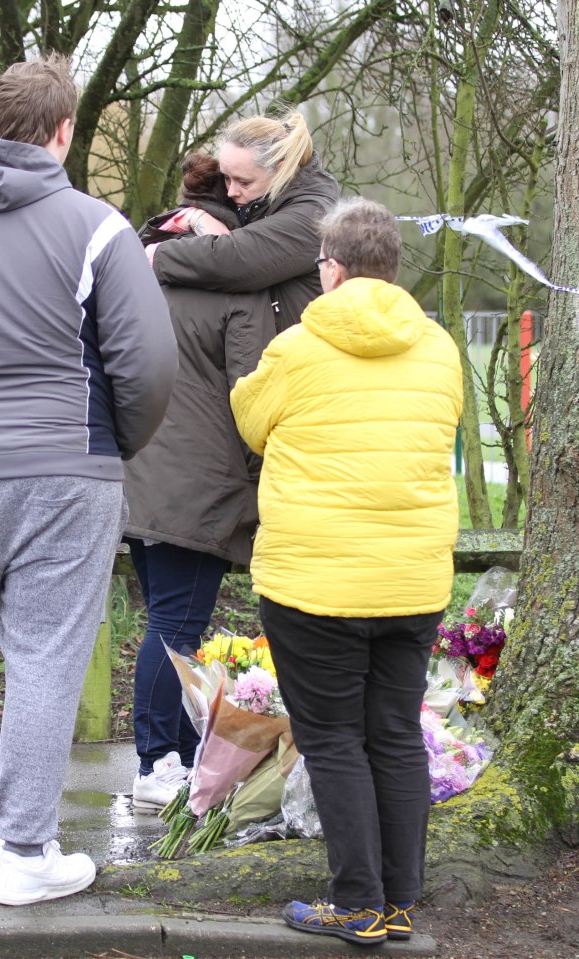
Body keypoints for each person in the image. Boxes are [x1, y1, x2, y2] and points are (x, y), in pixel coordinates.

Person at [230, 198, 463, 946]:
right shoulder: (441, 347)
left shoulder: (296, 347)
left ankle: (356, 902)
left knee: (332, 738)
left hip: (315, 582)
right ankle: (398, 900)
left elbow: (250, 421)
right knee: (394, 733)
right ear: (393, 266)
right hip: (411, 579)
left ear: (328, 267)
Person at [0, 55, 177, 907]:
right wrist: (111, 444)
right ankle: (23, 850)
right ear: (65, 131)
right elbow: (148, 364)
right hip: (66, 468)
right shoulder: (98, 228)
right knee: (45, 657)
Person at [123, 154, 278, 809]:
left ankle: (175, 755)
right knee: (176, 626)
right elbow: (254, 393)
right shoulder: (234, 282)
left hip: (133, 472)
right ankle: (157, 761)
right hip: (199, 480)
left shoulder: (133, 263)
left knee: (166, 617)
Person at [149, 110, 340, 333]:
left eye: (244, 182)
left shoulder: (315, 214)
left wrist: (156, 256)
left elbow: (237, 259)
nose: (231, 191)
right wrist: (194, 216)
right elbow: (154, 229)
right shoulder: (249, 196)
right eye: (226, 178)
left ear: (279, 168)